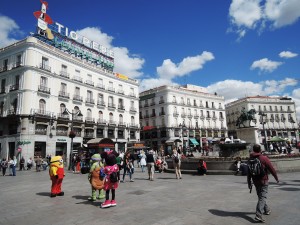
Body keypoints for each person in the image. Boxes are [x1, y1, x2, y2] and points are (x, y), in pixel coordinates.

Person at [247, 144, 279, 223]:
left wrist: (249, 182)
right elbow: (271, 169)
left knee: (261, 196)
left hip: (255, 181)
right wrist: (276, 178)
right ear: (260, 150)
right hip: (263, 180)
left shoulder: (250, 159)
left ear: (253, 150)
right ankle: (258, 214)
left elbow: (249, 172)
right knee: (262, 197)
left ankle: (267, 210)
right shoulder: (264, 158)